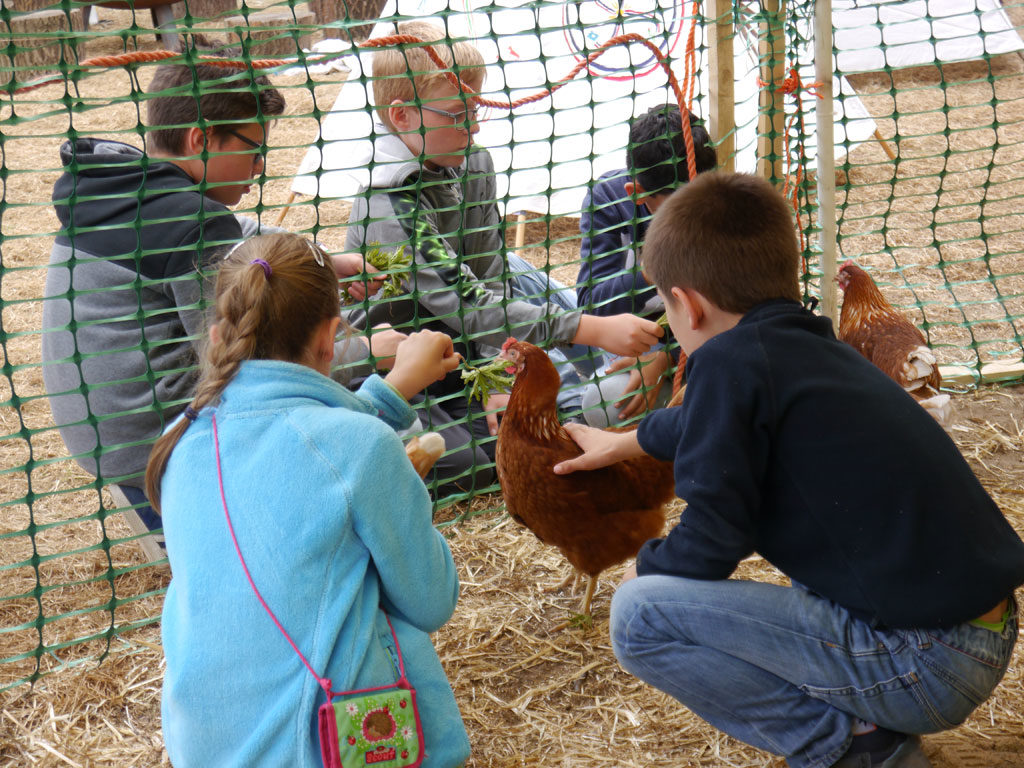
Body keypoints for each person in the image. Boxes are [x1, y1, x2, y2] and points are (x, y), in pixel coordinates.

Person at [554, 172, 1024, 768]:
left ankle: (853, 749)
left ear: (688, 305)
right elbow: (706, 419)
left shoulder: (727, 366)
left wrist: (645, 571)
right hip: (976, 636)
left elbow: (715, 535)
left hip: (921, 663)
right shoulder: (805, 348)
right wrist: (622, 445)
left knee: (639, 615)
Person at [146, 232, 470, 768]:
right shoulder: (362, 447)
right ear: (331, 337)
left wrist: (389, 394)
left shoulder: (179, 440)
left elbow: (297, 442)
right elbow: (431, 601)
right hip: (326, 747)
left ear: (219, 334)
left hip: (202, 747)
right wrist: (406, 492)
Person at [40, 47, 394, 534]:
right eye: (253, 149)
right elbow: (250, 366)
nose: (259, 167)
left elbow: (239, 233)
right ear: (201, 137)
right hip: (159, 445)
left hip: (103, 435)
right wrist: (372, 353)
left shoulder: (127, 187)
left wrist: (322, 260)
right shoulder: (192, 225)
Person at [344, 21, 662, 494]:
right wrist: (588, 328)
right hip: (401, 369)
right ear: (403, 116)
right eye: (458, 114)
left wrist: (498, 375)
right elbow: (465, 300)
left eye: (476, 109)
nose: (473, 125)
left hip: (467, 352)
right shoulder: (388, 201)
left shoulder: (474, 162)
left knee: (538, 423)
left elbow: (491, 274)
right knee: (472, 460)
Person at [576, 104, 717, 427]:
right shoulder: (608, 199)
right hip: (622, 334)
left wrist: (666, 359)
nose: (696, 212)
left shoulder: (721, 202)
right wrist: (649, 271)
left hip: (691, 348)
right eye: (679, 206)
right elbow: (591, 305)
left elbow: (728, 323)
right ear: (637, 193)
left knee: (606, 403)